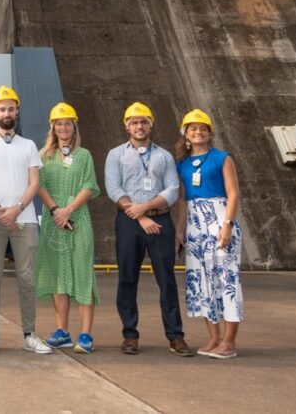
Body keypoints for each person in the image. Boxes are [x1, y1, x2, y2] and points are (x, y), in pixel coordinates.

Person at [104, 102, 192, 357]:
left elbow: (172, 190)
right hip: (128, 221)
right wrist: (139, 214)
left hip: (160, 220)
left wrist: (145, 208)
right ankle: (130, 335)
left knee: (167, 280)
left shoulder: (164, 156)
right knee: (127, 279)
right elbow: (114, 189)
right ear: (126, 126)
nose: (139, 126)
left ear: (151, 124)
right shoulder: (116, 155)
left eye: (143, 121)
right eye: (134, 122)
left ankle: (175, 336)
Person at [0, 86, 53, 355]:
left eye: (11, 108)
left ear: (17, 111)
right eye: (2, 108)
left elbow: (34, 182)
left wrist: (16, 209)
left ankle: (29, 334)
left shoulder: (28, 145)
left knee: (27, 278)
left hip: (25, 220)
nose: (7, 113)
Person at [173, 109, 243, 359]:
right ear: (186, 134)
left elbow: (233, 193)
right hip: (195, 224)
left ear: (210, 133)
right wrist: (180, 230)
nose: (198, 132)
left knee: (226, 279)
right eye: (193, 128)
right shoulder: (181, 164)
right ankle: (213, 337)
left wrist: (227, 224)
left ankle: (229, 341)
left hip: (219, 218)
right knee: (201, 280)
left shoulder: (222, 158)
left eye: (202, 128)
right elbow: (182, 199)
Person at [37, 102, 100, 354]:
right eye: (59, 123)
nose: (63, 127)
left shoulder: (84, 155)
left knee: (83, 274)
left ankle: (85, 335)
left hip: (78, 220)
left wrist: (68, 210)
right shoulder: (44, 156)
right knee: (58, 276)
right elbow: (38, 185)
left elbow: (89, 186)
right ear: (52, 127)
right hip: (54, 222)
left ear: (74, 126)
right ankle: (62, 331)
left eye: (67, 123)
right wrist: (55, 211)